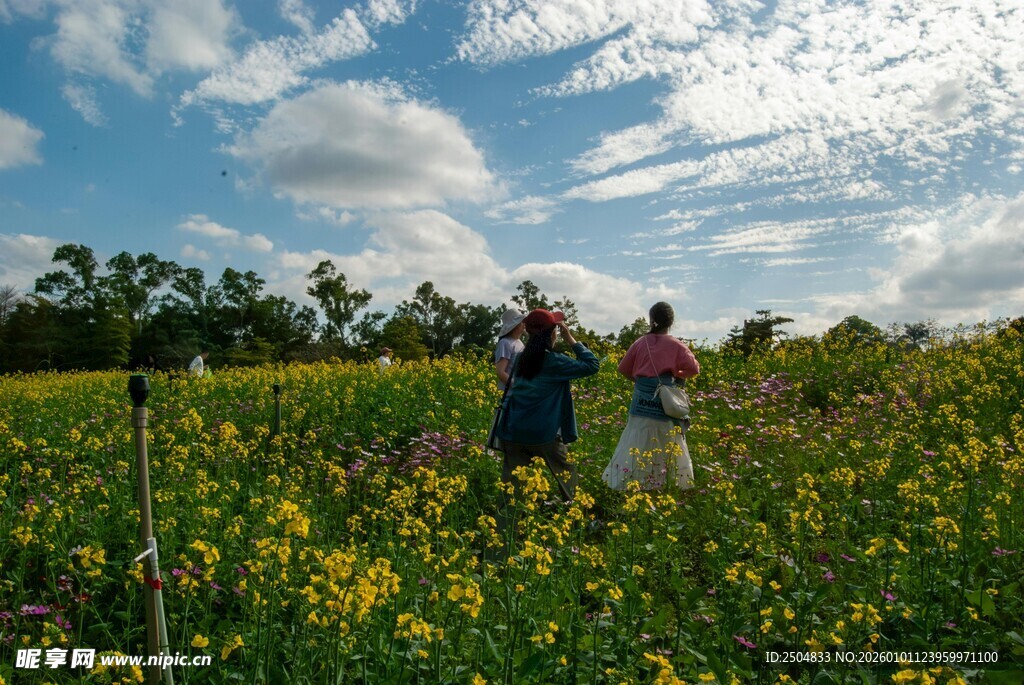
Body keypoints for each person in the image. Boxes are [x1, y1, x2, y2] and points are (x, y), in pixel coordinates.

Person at [495, 308, 600, 513]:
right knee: (567, 474)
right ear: (552, 334)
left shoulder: (521, 359)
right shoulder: (554, 361)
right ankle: (576, 517)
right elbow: (592, 365)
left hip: (513, 431)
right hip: (544, 434)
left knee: (511, 490)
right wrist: (571, 339)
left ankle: (504, 525)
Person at [602, 302, 700, 491]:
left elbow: (623, 368)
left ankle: (629, 485)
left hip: (640, 404)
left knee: (635, 442)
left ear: (651, 320)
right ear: (671, 322)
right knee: (665, 443)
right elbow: (694, 369)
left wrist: (641, 382)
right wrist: (675, 375)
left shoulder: (641, 342)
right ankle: (663, 486)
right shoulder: (677, 345)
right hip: (665, 404)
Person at [494, 308, 526, 391]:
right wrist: (517, 386)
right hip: (509, 394)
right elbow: (500, 372)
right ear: (515, 326)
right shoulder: (505, 343)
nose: (524, 324)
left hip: (518, 393)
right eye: (521, 322)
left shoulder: (519, 343)